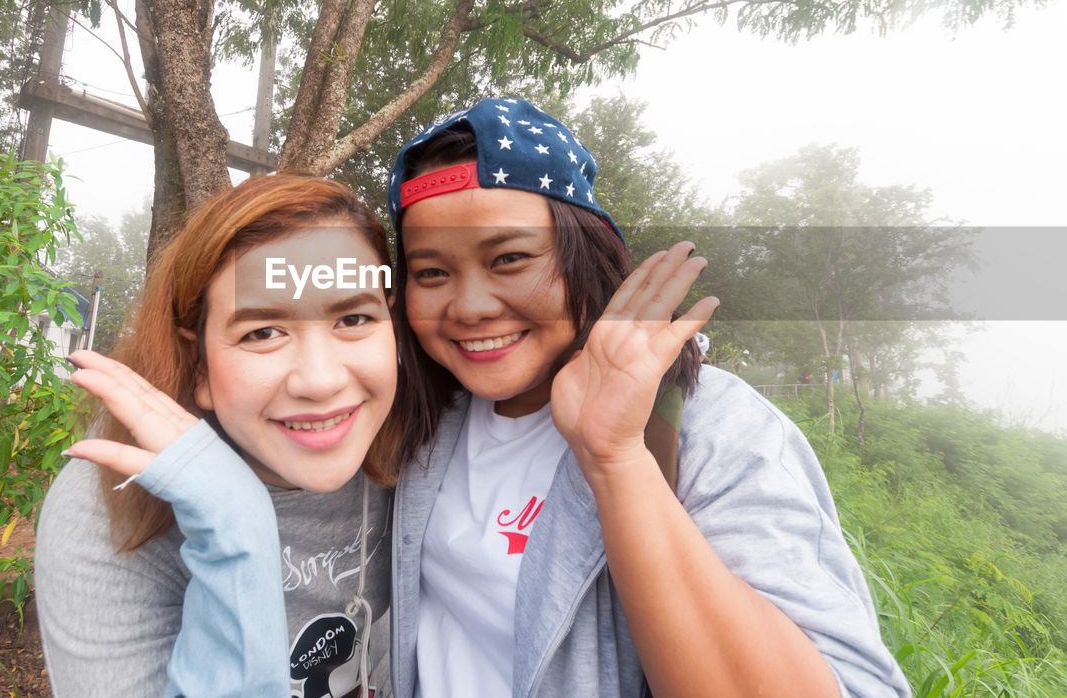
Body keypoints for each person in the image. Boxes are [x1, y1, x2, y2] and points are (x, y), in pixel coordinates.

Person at [384, 98, 910, 698]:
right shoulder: (417, 418)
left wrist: (615, 458)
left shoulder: (714, 425)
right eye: (430, 273)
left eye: (510, 258)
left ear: (588, 253)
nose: (470, 306)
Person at [35, 174, 401, 698]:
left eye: (354, 317)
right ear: (199, 366)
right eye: (262, 332)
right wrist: (235, 528)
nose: (321, 381)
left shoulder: (409, 450)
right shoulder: (111, 505)